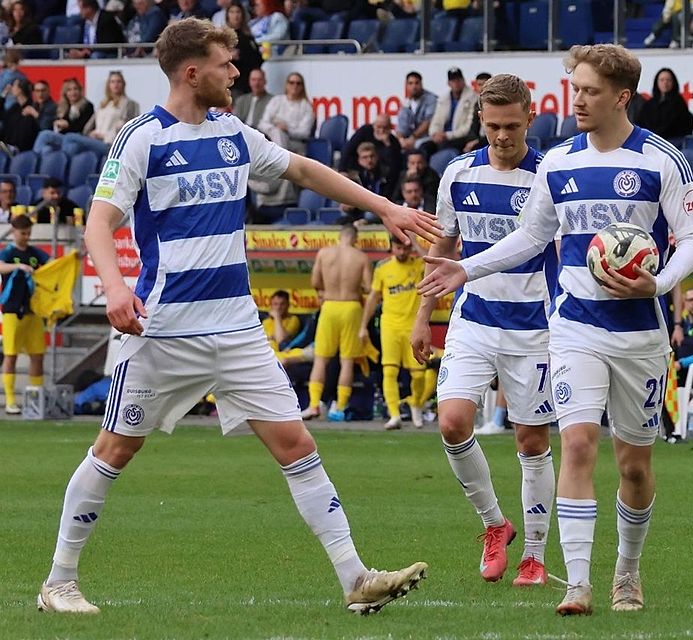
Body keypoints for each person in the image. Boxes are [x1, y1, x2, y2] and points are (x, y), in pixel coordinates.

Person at [36, 18, 437, 616]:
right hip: (164, 331)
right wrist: (116, 288)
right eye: (226, 63)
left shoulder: (232, 130)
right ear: (192, 72)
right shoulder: (141, 138)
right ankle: (58, 582)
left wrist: (383, 206)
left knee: (297, 444)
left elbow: (300, 169)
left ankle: (356, 578)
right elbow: (98, 222)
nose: (237, 73)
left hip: (238, 329)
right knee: (115, 450)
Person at [418, 44, 693, 615]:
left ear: (621, 97)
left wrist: (660, 282)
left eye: (590, 91)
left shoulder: (661, 160)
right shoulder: (558, 162)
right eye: (575, 89)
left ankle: (627, 568)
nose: (577, 100)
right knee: (576, 443)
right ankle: (577, 583)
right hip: (573, 325)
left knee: (634, 465)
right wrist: (466, 268)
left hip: (640, 334)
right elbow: (530, 236)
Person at [411, 73, 559, 587]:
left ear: (530, 118)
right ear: (480, 119)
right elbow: (444, 251)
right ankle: (495, 525)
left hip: (533, 328)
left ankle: (535, 557)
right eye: (493, 126)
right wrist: (422, 316)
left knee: (531, 441)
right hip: (472, 320)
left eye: (512, 126)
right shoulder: (456, 173)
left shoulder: (550, 176)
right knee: (451, 422)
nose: (502, 136)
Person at [301, 225, 372, 422]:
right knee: (347, 361)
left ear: (339, 236)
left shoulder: (324, 253)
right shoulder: (361, 257)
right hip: (351, 307)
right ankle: (339, 407)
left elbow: (315, 282)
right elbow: (368, 287)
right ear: (355, 239)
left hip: (329, 306)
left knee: (320, 359)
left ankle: (314, 404)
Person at [362, 235, 426, 429]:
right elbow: (373, 297)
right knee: (389, 371)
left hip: (413, 326)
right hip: (390, 325)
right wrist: (362, 325)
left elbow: (433, 261)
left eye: (405, 248)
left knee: (419, 374)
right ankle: (394, 414)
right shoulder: (382, 268)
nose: (402, 252)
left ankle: (415, 404)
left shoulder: (418, 265)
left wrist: (415, 242)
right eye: (398, 248)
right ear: (392, 248)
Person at [0, 214, 49, 414]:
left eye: (29, 233)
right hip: (12, 311)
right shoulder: (8, 252)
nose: (26, 237)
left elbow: (52, 265)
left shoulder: (35, 252)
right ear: (13, 231)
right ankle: (11, 400)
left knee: (37, 356)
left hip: (34, 311)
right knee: (10, 356)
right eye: (22, 233)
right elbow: (1, 267)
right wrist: (19, 267)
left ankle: (34, 400)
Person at [62, 71, 140, 159]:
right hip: (95, 140)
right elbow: (89, 126)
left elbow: (127, 129)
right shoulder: (104, 104)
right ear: (108, 85)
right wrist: (90, 133)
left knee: (70, 137)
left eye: (119, 81)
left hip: (109, 143)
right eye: (112, 82)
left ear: (123, 84)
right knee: (73, 147)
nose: (116, 84)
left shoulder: (129, 103)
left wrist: (103, 135)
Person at [423, 66, 478, 156]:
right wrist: (435, 133)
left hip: (460, 137)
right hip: (442, 137)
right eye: (453, 81)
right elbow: (436, 120)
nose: (456, 83)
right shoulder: (443, 99)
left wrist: (447, 135)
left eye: (458, 80)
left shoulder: (473, 98)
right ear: (449, 83)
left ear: (463, 81)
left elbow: (468, 126)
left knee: (444, 147)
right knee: (425, 147)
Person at [340, 113, 403, 189]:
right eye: (379, 127)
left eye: (385, 128)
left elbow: (395, 164)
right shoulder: (365, 131)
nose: (381, 130)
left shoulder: (393, 142)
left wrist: (387, 144)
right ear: (374, 125)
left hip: (380, 173)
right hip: (358, 167)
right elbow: (348, 148)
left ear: (390, 128)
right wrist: (342, 169)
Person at [33, 78, 95, 155]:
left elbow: (80, 127)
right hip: (63, 138)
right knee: (46, 149)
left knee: (45, 134)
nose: (73, 92)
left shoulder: (87, 106)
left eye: (75, 89)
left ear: (80, 91)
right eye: (69, 90)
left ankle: (34, 158)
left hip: (77, 138)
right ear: (65, 93)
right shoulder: (64, 107)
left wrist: (67, 125)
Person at [258, 72, 314, 155]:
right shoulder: (276, 100)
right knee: (277, 133)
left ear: (302, 86)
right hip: (272, 138)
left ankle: (280, 161)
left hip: (295, 142)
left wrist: (287, 129)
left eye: (298, 83)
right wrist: (276, 128)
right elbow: (262, 124)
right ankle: (280, 159)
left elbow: (305, 132)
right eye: (291, 82)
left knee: (279, 135)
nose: (295, 86)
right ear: (286, 84)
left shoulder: (306, 106)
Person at [633, 68, 693, 141]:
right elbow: (641, 123)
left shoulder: (679, 103)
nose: (665, 83)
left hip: (672, 142)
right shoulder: (649, 104)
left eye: (668, 80)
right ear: (657, 82)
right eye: (662, 80)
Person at [224, 1, 263, 96]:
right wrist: (229, 56)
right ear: (227, 15)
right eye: (232, 12)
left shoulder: (249, 37)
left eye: (238, 12)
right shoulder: (223, 37)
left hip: (248, 84)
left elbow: (257, 60)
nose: (235, 15)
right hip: (232, 84)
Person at [396, 71, 437, 152]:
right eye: (410, 83)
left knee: (419, 146)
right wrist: (401, 139)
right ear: (406, 85)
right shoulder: (406, 103)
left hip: (426, 137)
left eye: (416, 83)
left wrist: (412, 138)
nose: (414, 86)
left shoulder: (431, 99)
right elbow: (401, 127)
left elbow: (427, 122)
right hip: (409, 140)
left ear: (421, 84)